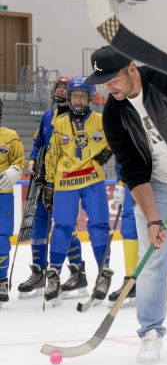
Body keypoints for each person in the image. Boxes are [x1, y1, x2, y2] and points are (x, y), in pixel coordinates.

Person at [87, 45, 167, 364]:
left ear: (131, 68)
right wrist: (152, 219)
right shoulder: (113, 113)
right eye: (103, 82)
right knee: (151, 259)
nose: (109, 87)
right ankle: (150, 331)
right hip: (156, 183)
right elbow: (132, 170)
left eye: (112, 78)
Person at [42, 76, 114, 306]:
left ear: (90, 98)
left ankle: (103, 274)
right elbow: (52, 155)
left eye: (83, 95)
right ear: (70, 97)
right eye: (75, 95)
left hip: (93, 180)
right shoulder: (60, 123)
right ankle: (53, 275)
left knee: (99, 227)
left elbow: (116, 139)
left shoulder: (102, 120)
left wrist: (107, 152)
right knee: (62, 227)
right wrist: (49, 184)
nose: (79, 99)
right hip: (65, 183)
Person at [17, 77, 84, 299]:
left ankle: (77, 273)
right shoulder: (47, 116)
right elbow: (39, 143)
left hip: (66, 182)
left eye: (66, 87)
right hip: (44, 180)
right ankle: (39, 273)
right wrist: (33, 161)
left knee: (64, 227)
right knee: (39, 226)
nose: (61, 90)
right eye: (59, 87)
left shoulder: (77, 118)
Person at [0, 101, 24, 307]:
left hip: (3, 195)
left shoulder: (10, 135)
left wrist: (15, 170)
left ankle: (1, 282)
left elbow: (20, 161)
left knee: (1, 241)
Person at [106, 164, 138, 307]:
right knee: (130, 227)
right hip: (134, 178)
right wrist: (121, 181)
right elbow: (123, 151)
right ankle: (131, 280)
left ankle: (153, 283)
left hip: (160, 179)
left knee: (156, 226)